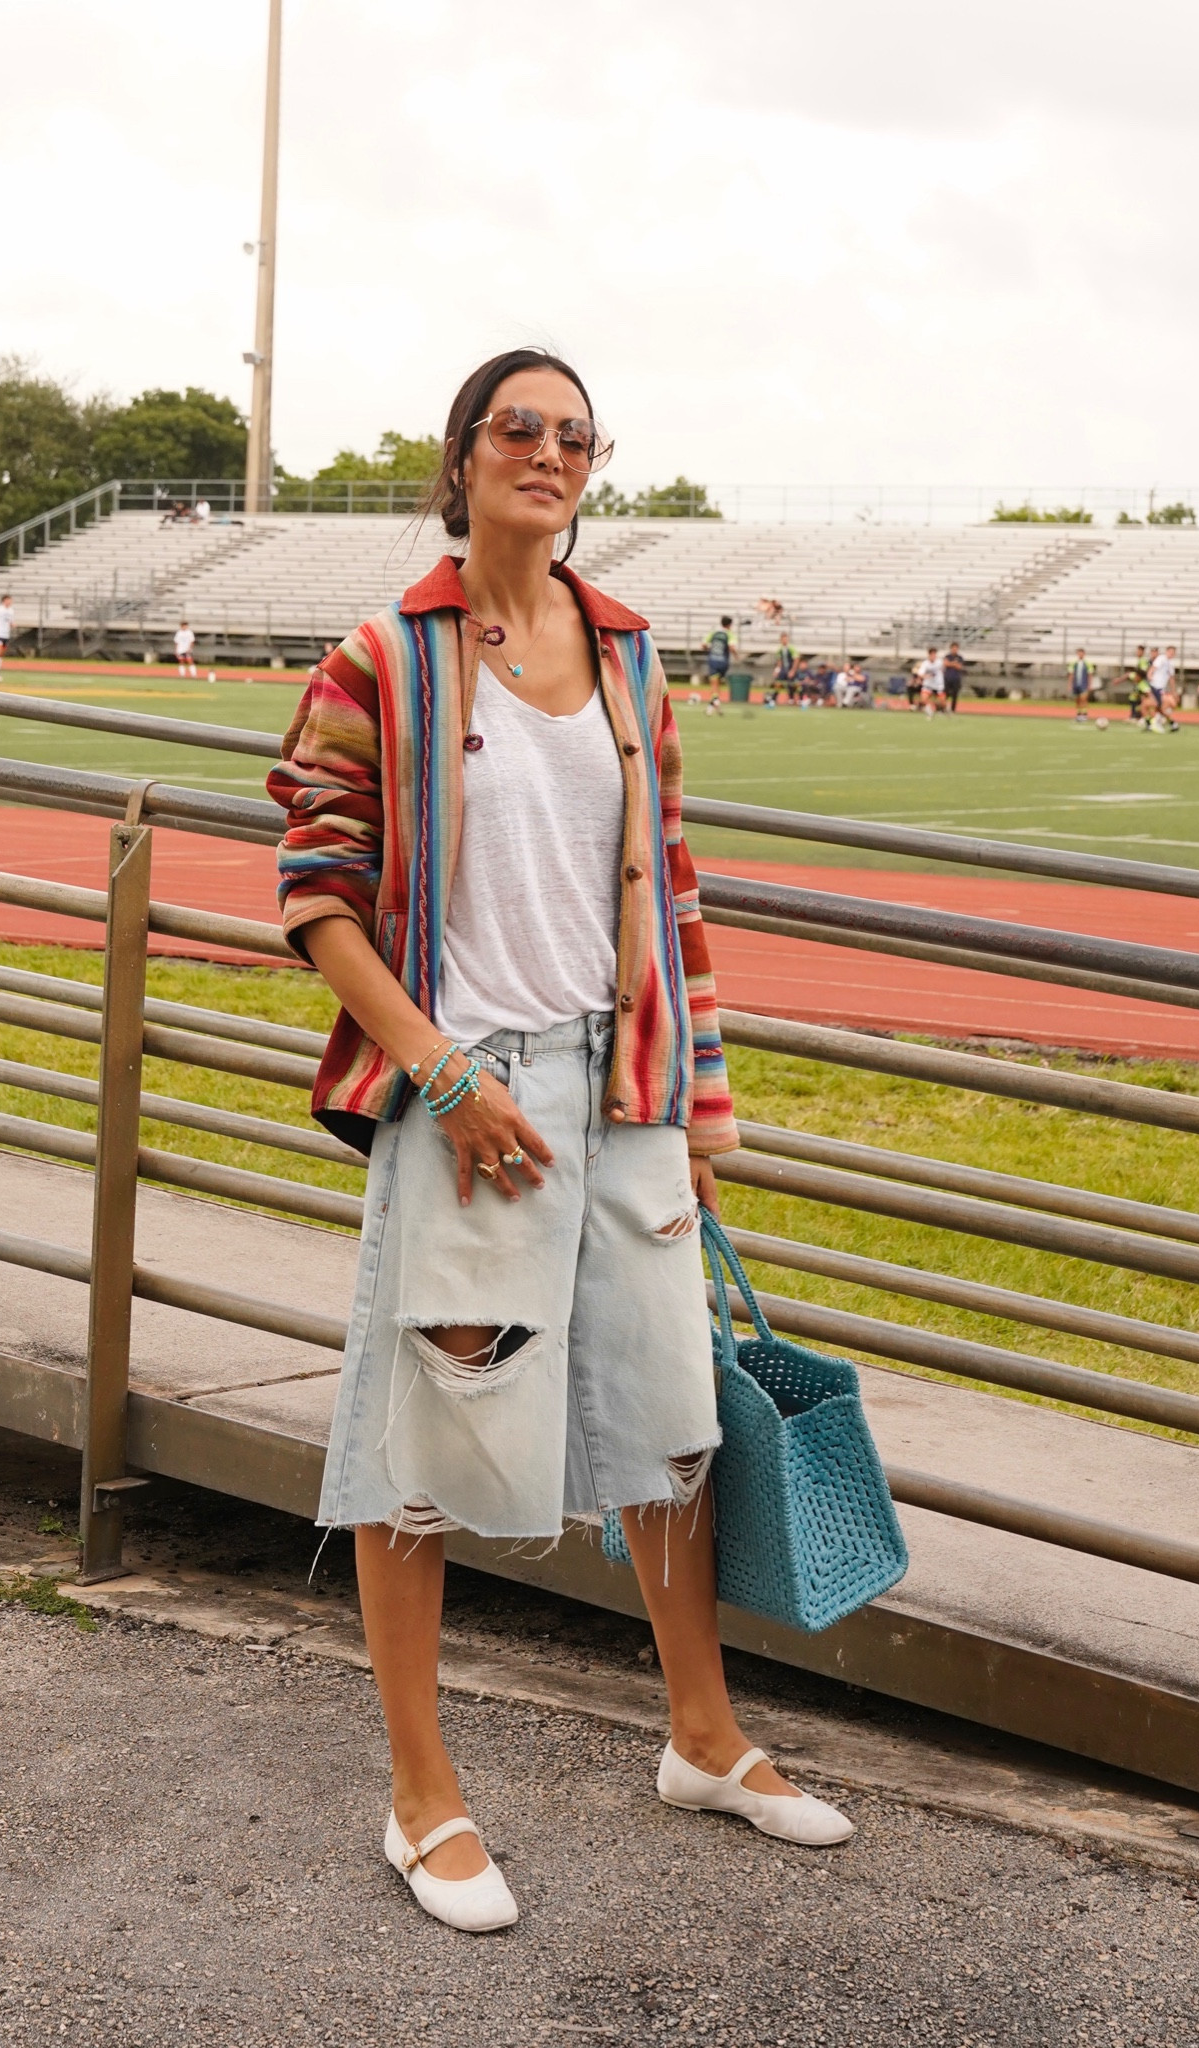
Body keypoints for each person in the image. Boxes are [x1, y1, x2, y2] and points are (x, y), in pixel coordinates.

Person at [267, 347, 854, 1937]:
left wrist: (697, 1108)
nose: (546, 452)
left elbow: (669, 896)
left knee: (671, 1423)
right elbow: (312, 892)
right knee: (428, 1439)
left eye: (573, 437)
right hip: (470, 1096)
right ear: (456, 459)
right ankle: (419, 1796)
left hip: (623, 1090)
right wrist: (441, 1077)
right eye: (515, 428)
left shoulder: (628, 657)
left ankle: (702, 1740)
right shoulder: (380, 656)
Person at [702, 615, 737, 704]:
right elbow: (732, 647)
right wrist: (736, 656)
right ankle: (715, 698)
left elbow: (704, 645)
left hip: (713, 659)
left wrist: (709, 649)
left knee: (714, 680)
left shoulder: (714, 632)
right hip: (723, 661)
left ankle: (715, 697)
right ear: (730, 625)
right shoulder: (729, 634)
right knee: (718, 680)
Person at [1146, 644, 1180, 733]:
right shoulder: (1161, 658)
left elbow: (1171, 678)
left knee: (1158, 706)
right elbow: (1153, 668)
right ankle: (1155, 723)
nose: (1171, 654)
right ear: (1166, 651)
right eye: (1170, 652)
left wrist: (1174, 691)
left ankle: (1154, 723)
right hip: (1155, 685)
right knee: (1156, 705)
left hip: (1161, 687)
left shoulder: (1171, 663)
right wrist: (1150, 674)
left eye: (1173, 652)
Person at [1068, 648, 1097, 721]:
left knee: (1083, 699)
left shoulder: (1087, 663)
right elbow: (1071, 674)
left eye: (1081, 653)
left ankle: (1084, 715)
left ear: (1084, 654)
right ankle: (1079, 714)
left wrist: (1090, 685)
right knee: (1077, 700)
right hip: (1076, 684)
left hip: (1084, 684)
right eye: (1079, 653)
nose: (1080, 654)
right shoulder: (1074, 663)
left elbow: (1090, 675)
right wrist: (1070, 684)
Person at [918, 645, 945, 717]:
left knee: (942, 702)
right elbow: (920, 673)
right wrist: (925, 676)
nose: (933, 656)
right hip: (928, 684)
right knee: (923, 699)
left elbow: (943, 668)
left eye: (934, 654)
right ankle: (929, 712)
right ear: (929, 655)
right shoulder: (925, 663)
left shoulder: (939, 662)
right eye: (932, 654)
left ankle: (941, 710)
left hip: (938, 685)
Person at [943, 641, 965, 713]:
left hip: (956, 679)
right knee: (945, 694)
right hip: (947, 678)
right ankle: (943, 708)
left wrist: (951, 664)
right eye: (953, 648)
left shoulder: (960, 657)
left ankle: (953, 710)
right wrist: (954, 664)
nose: (955, 650)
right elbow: (946, 664)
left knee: (955, 694)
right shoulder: (947, 656)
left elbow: (959, 667)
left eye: (956, 648)